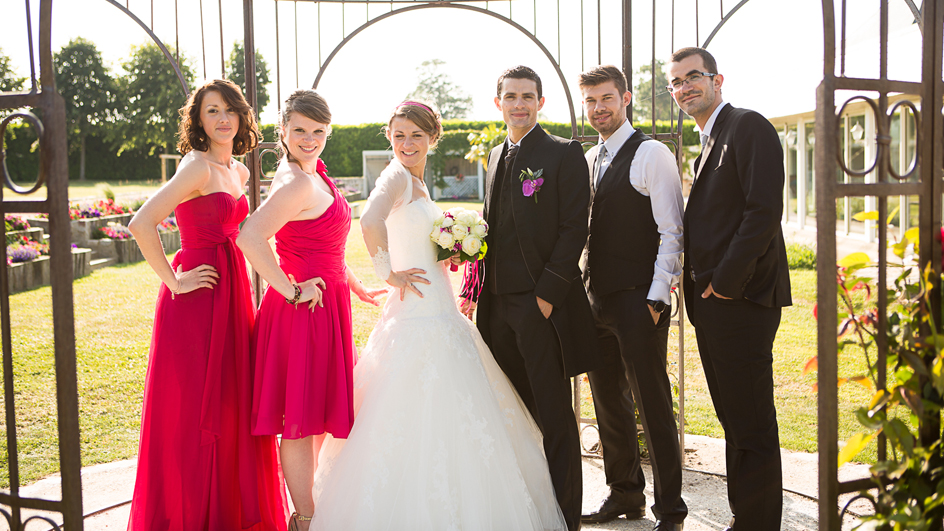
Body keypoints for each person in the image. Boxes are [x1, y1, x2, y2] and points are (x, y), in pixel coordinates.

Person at [308, 101, 567, 531]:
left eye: (415, 136)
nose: (406, 144)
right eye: (398, 136)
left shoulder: (416, 182)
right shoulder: (395, 176)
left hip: (438, 305)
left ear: (432, 138)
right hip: (417, 313)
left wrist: (443, 253)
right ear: (389, 138)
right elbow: (368, 220)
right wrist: (387, 272)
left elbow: (404, 230)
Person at [126, 79, 287, 530]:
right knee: (193, 407)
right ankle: (188, 513)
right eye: (211, 110)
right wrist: (174, 281)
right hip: (196, 298)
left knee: (233, 402)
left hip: (234, 291)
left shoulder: (239, 171)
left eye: (229, 110)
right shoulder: (195, 167)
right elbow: (142, 222)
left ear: (241, 118)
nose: (222, 119)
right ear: (198, 119)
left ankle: (228, 510)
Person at [458, 65, 603, 531]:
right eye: (510, 96)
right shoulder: (498, 153)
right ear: (497, 101)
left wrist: (546, 297)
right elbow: (492, 228)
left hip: (540, 306)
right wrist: (475, 287)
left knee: (554, 416)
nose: (519, 104)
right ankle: (528, 513)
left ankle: (565, 518)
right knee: (513, 414)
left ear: (541, 102)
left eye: (527, 96)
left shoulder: (563, 153)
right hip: (496, 308)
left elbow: (573, 228)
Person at [236, 89, 383, 531]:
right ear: (282, 131)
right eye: (299, 130)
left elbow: (327, 244)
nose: (309, 138)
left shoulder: (315, 171)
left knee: (314, 416)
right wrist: (291, 290)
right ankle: (303, 520)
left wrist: (351, 283)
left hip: (328, 305)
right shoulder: (296, 181)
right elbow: (249, 237)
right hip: (303, 312)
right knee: (299, 423)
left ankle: (310, 507)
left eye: (318, 131)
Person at [668, 47, 791, 531]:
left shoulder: (747, 126)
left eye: (692, 77)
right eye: (676, 82)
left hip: (741, 300)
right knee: (735, 420)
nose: (684, 88)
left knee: (752, 422)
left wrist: (723, 282)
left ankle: (760, 523)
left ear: (719, 79)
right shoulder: (708, 140)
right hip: (714, 307)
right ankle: (747, 517)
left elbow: (763, 212)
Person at [578, 65, 687, 531]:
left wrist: (657, 297)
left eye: (606, 99)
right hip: (595, 298)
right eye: (591, 102)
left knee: (653, 404)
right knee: (608, 403)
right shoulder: (588, 158)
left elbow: (672, 230)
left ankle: (671, 510)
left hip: (639, 301)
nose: (599, 108)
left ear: (625, 98)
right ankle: (625, 495)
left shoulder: (651, 154)